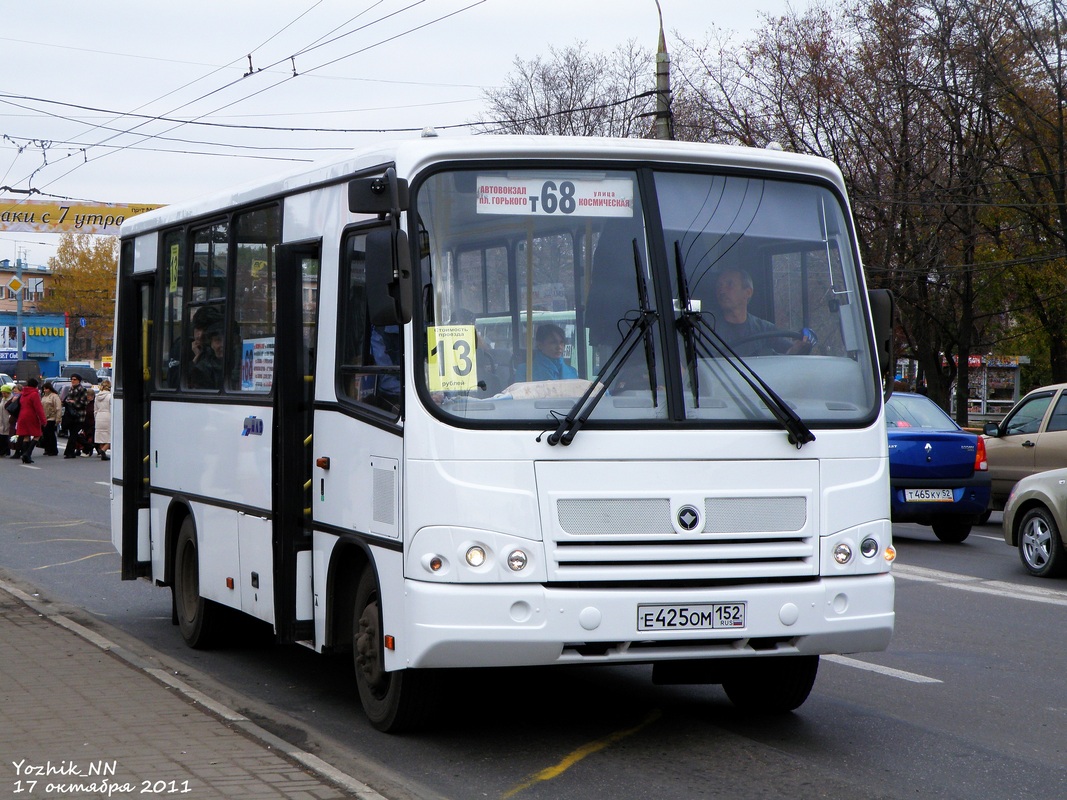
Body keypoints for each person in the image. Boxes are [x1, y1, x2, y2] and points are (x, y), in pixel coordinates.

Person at [713, 267, 814, 357]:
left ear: (748, 292)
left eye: (729, 285)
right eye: (719, 286)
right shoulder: (706, 328)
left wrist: (803, 343)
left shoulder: (765, 329)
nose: (722, 291)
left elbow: (790, 354)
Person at [15, 377, 46, 464]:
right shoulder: (34, 394)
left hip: (22, 415)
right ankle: (28, 453)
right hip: (31, 416)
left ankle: (25, 454)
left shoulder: (23, 393)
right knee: (37, 435)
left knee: (26, 436)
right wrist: (43, 420)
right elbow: (38, 408)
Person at [63, 374, 90, 459]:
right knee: (73, 434)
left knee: (74, 434)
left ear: (79, 380)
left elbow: (84, 403)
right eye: (71, 379)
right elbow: (67, 400)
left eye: (74, 379)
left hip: (79, 416)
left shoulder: (82, 390)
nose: (72, 381)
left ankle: (69, 452)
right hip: (70, 415)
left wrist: (73, 402)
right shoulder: (71, 389)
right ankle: (88, 446)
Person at [39, 381, 62, 456]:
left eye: (46, 389)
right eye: (44, 389)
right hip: (44, 418)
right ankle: (47, 449)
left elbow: (58, 407)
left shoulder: (54, 396)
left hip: (51, 418)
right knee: (45, 435)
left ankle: (53, 450)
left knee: (51, 434)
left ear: (50, 389)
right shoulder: (44, 396)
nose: (45, 390)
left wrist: (58, 418)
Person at [94, 379, 112, 460]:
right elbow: (111, 408)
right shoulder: (110, 396)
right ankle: (103, 450)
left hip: (99, 416)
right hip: (107, 416)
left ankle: (102, 453)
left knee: (101, 437)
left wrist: (96, 417)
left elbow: (95, 409)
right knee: (110, 436)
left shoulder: (97, 396)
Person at [0, 383, 12, 457]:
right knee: (2, 435)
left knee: (6, 436)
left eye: (4, 392)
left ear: (8, 392)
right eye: (2, 392)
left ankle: (5, 450)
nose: (3, 394)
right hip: (2, 419)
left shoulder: (11, 399)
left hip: (7, 418)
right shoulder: (3, 399)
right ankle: (5, 450)